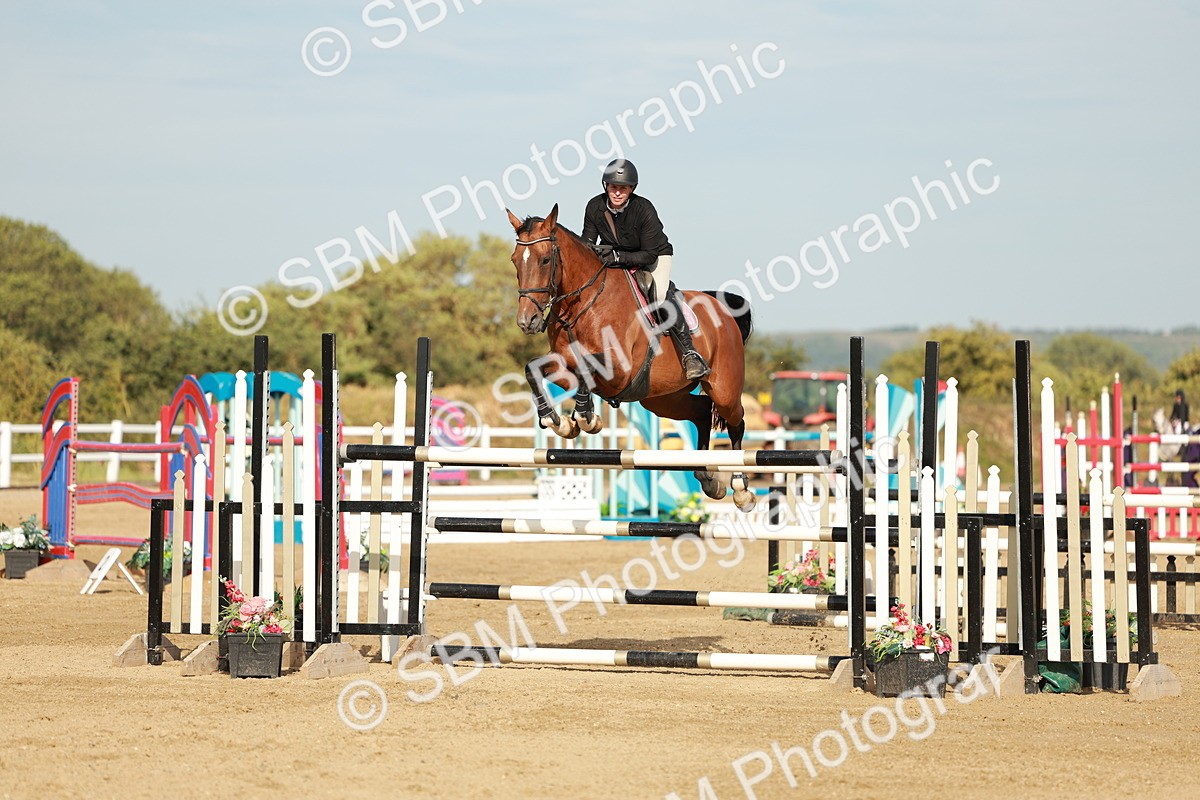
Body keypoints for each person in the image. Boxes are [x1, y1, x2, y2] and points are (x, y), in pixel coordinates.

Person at [579, 158, 710, 380]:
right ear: (606, 186)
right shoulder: (595, 206)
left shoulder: (643, 209)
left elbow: (649, 254)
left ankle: (690, 354)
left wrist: (618, 257)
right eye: (613, 187)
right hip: (615, 260)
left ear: (631, 189)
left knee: (658, 295)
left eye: (623, 188)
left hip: (653, 257)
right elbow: (587, 243)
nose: (617, 193)